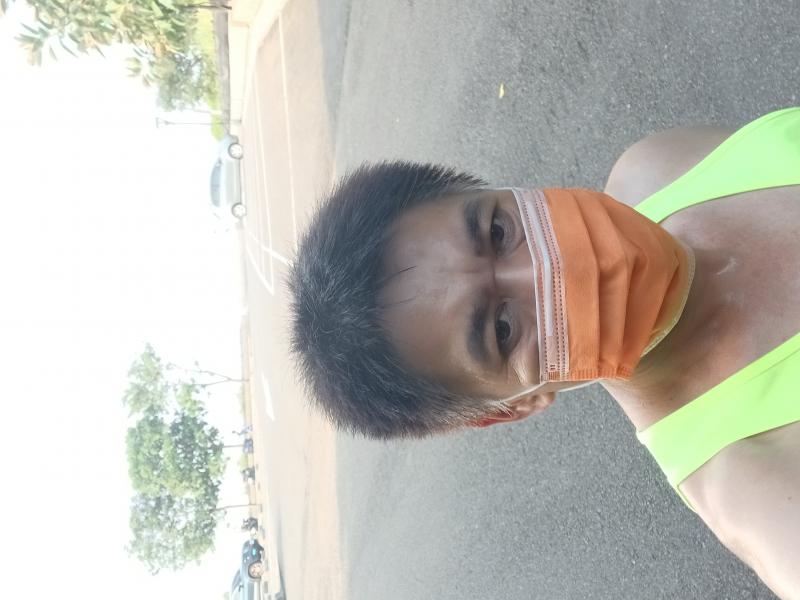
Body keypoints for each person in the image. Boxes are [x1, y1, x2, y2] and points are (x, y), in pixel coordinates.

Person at [288, 107, 800, 598]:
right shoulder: (760, 486)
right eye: (503, 329)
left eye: (498, 232)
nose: (551, 268)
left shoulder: (655, 167)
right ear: (513, 407)